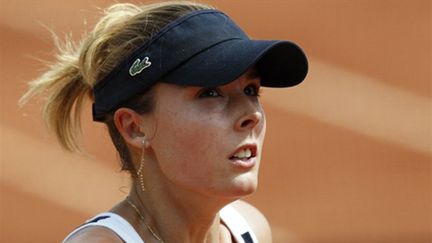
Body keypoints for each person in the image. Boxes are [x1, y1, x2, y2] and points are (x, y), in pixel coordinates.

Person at [20, 1, 308, 242]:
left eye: (251, 90)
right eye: (210, 92)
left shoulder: (249, 230)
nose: (252, 114)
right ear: (134, 127)